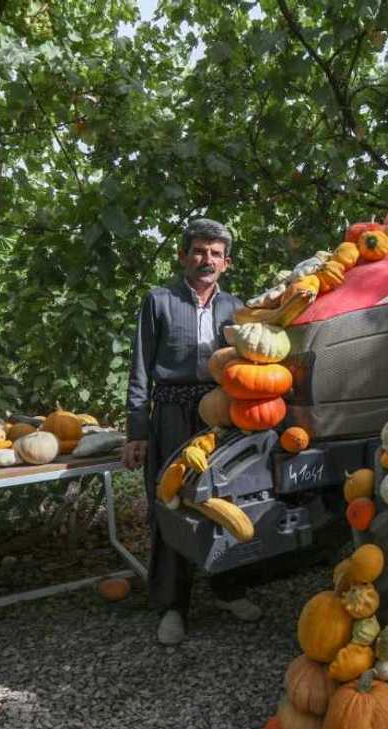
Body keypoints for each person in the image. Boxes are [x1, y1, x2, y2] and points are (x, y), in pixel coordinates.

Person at [122, 218, 259, 645]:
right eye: (199, 251)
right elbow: (141, 367)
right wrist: (137, 429)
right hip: (172, 414)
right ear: (183, 256)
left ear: (227, 263)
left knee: (226, 501)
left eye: (216, 253)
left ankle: (227, 588)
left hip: (220, 416)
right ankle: (173, 605)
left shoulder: (236, 308)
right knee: (171, 504)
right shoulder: (159, 301)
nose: (207, 260)